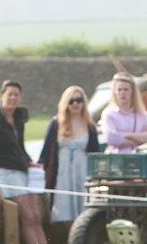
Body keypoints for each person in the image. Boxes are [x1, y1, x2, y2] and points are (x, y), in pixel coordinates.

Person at [0, 80, 59, 244]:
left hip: (21, 171)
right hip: (6, 173)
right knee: (28, 217)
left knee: (36, 216)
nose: (12, 98)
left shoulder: (18, 119)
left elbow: (19, 145)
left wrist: (29, 161)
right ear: (1, 97)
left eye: (16, 95)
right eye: (9, 94)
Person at [39, 85, 101, 232]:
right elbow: (46, 152)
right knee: (64, 210)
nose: (75, 104)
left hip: (82, 172)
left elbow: (95, 154)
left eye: (79, 100)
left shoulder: (89, 126)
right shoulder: (56, 124)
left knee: (84, 210)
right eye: (71, 101)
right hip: (63, 173)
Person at [100, 74, 147, 153]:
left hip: (138, 158)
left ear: (132, 92)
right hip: (117, 158)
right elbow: (112, 139)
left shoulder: (142, 114)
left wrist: (126, 135)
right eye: (119, 90)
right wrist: (140, 139)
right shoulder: (109, 114)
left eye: (126, 89)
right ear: (114, 92)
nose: (123, 93)